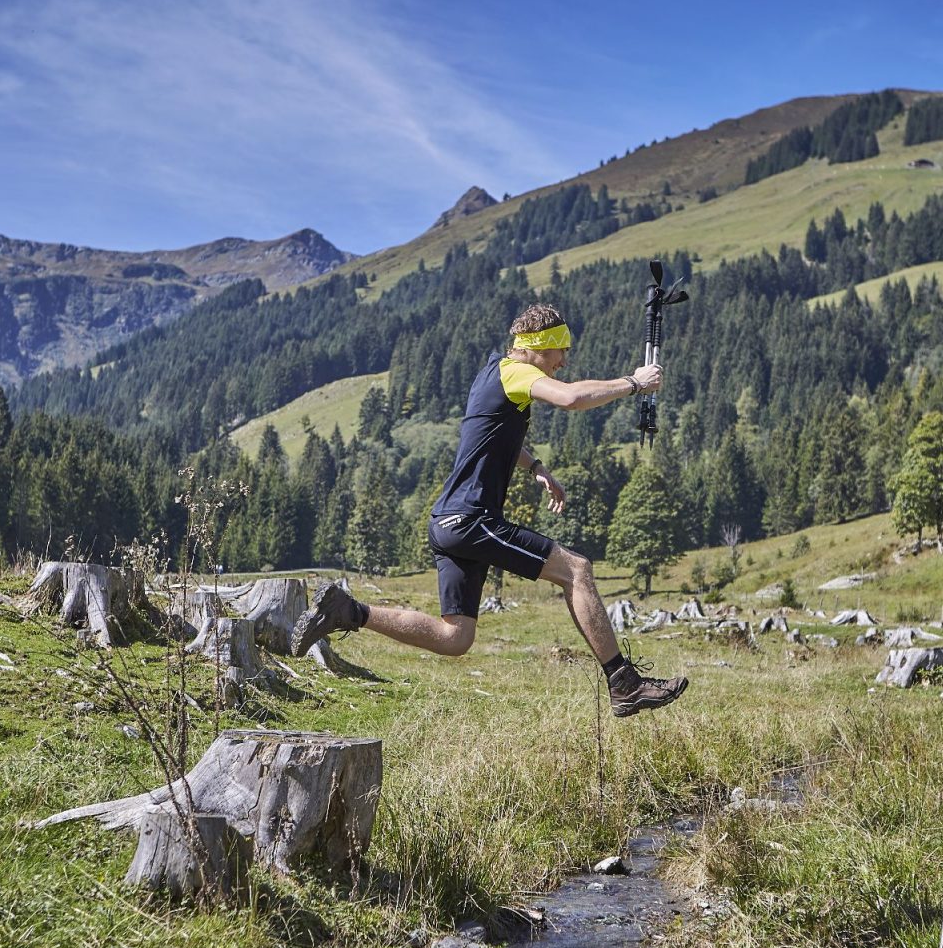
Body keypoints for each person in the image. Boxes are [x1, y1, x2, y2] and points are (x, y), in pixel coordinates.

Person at [293, 304, 688, 718]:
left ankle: (348, 611)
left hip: (446, 521)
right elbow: (570, 398)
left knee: (455, 637)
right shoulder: (518, 373)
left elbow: (492, 436)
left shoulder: (493, 373)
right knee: (576, 569)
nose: (563, 361)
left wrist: (535, 467)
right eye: (560, 351)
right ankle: (624, 684)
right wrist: (633, 383)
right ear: (538, 347)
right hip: (471, 520)